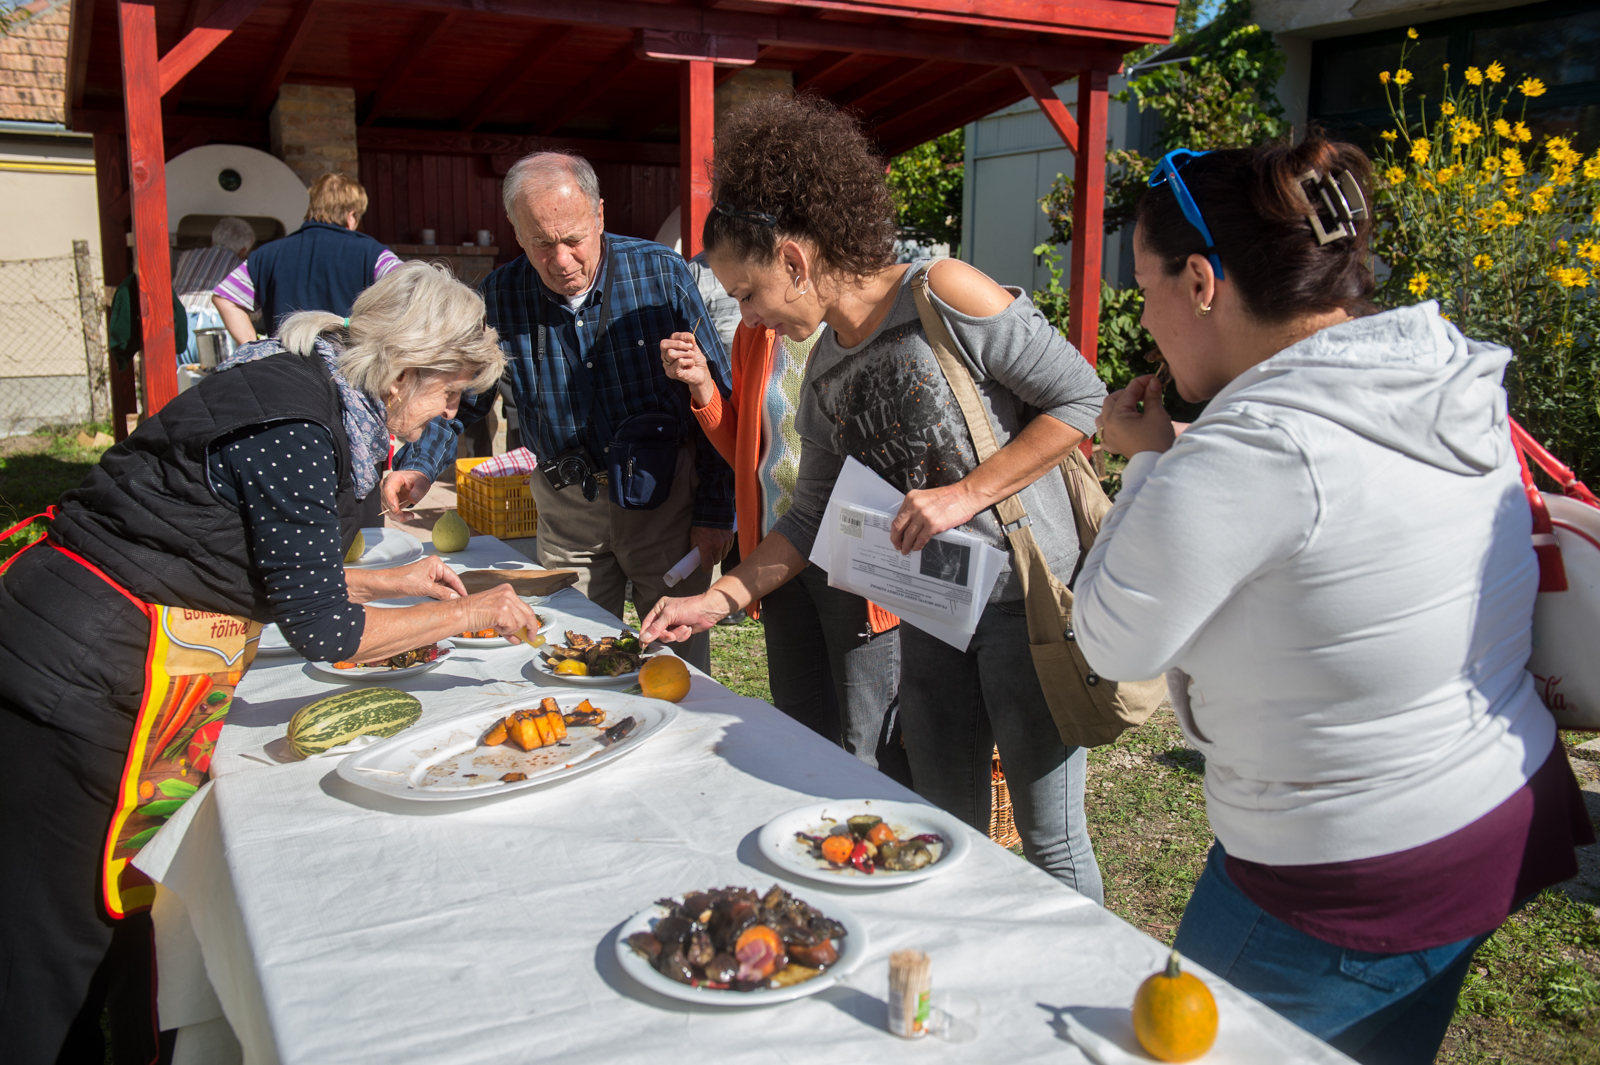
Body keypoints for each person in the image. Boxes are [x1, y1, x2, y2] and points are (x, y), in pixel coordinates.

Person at [1075, 137, 1594, 1064]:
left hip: (1345, 874)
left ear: (1201, 281)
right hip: (1495, 810)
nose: (1141, 316)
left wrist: (1151, 455)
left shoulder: (1255, 447)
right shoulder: (1438, 371)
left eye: (1145, 286)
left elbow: (1112, 636)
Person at [0, 262, 540, 1064]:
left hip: (78, 645)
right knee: (53, 949)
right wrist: (471, 612)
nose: (446, 413)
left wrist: (387, 578)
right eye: (450, 393)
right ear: (402, 372)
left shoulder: (299, 386)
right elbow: (326, 628)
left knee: (93, 926)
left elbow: (241, 553)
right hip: (76, 674)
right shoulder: (296, 429)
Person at [639, 96, 1109, 898]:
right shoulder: (822, 374)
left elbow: (1080, 401)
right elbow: (806, 518)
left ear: (793, 259)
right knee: (937, 822)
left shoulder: (946, 292)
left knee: (1050, 840)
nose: (745, 316)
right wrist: (718, 598)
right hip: (932, 616)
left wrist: (964, 494)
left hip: (1025, 610)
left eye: (748, 293)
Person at [384, 152, 735, 674]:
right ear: (516, 232)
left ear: (598, 214)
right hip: (567, 510)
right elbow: (461, 400)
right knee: (570, 652)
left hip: (664, 506)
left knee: (677, 661)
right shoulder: (500, 297)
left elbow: (714, 395)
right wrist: (417, 463)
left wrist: (713, 513)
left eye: (573, 239)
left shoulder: (660, 273)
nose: (562, 260)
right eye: (542, 244)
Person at [660, 317, 910, 786]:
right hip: (777, 555)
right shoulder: (756, 334)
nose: (743, 305)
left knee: (869, 739)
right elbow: (748, 456)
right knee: (799, 723)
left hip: (855, 560)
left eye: (746, 290)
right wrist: (703, 388)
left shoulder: (861, 326)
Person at [212, 172, 403, 345]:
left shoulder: (267, 254)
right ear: (351, 216)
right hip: (346, 370)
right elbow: (415, 289)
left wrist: (254, 347)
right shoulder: (373, 253)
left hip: (286, 369)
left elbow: (226, 298)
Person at [174, 216, 254, 364]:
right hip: (212, 332)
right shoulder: (242, 267)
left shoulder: (187, 256)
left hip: (177, 326)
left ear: (212, 241)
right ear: (243, 251)